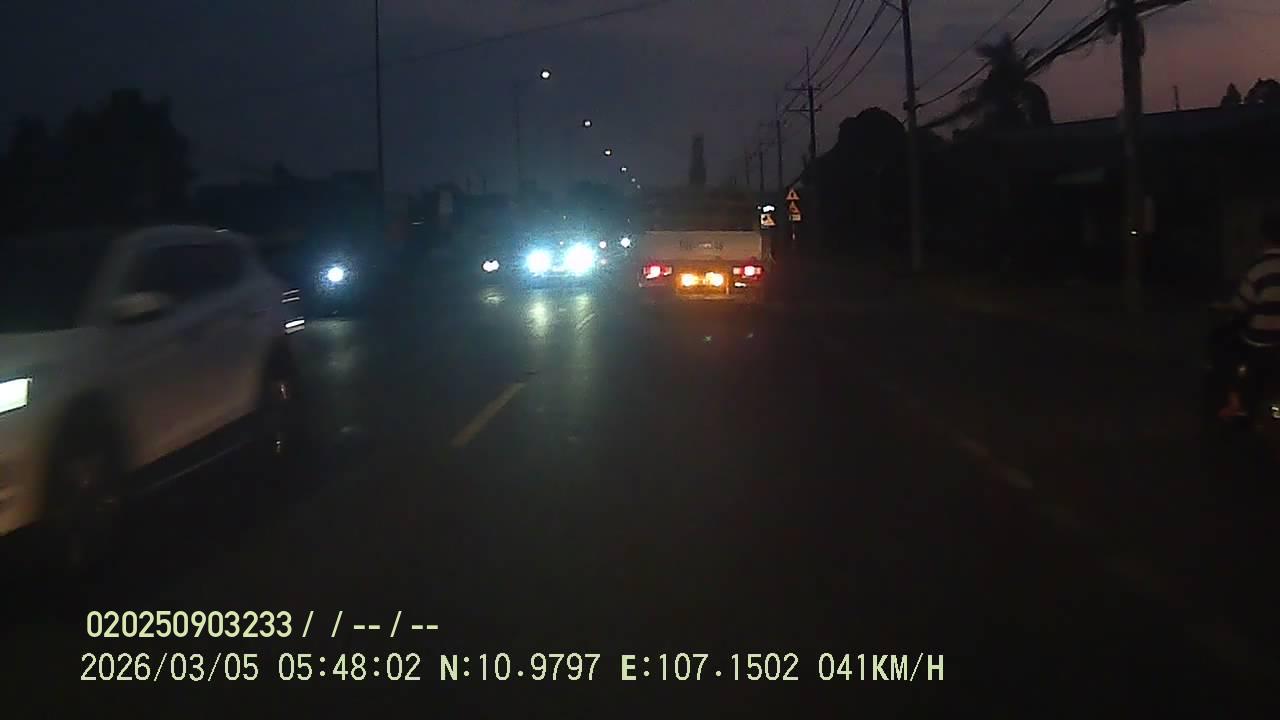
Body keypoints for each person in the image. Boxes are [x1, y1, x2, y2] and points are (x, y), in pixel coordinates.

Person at [1218, 209, 1280, 419]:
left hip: (1261, 340)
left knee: (1227, 351)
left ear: (1264, 239)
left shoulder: (1258, 269)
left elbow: (1241, 305)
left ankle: (1235, 402)